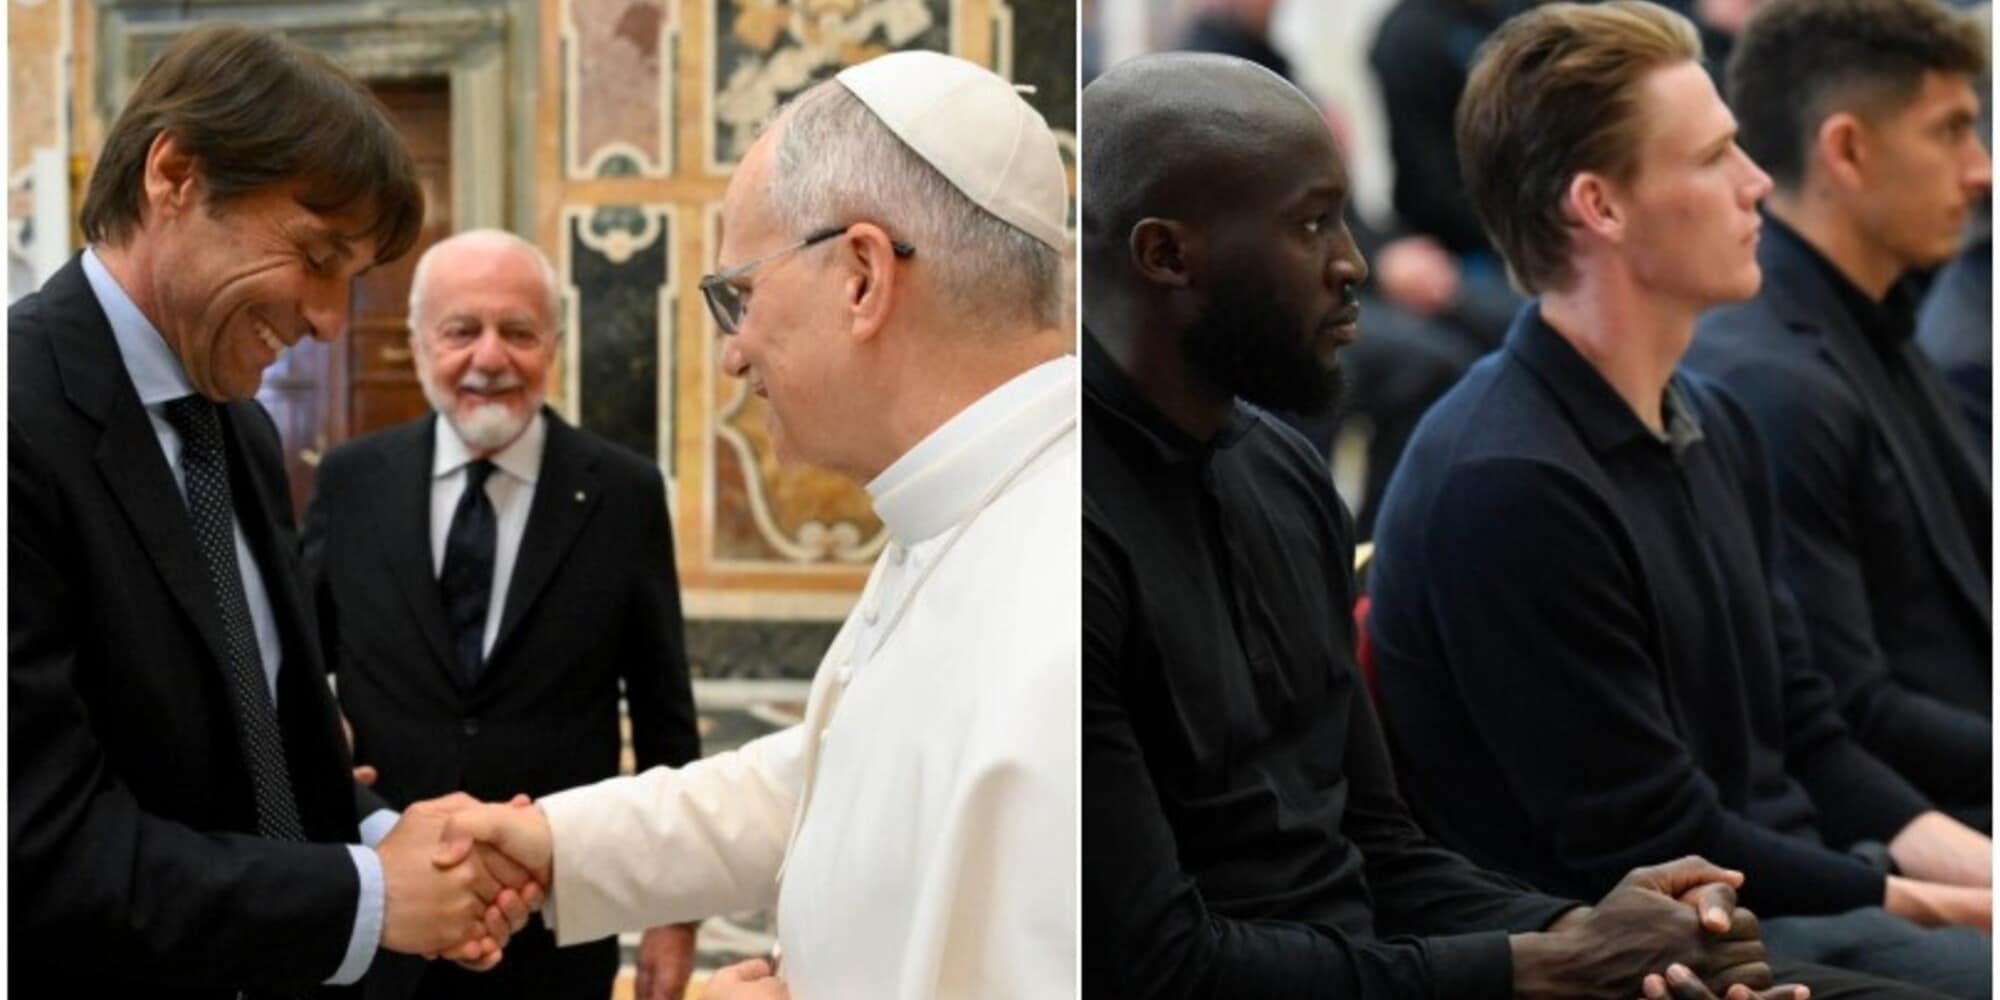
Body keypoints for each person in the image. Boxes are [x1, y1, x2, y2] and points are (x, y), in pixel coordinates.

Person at [1074, 47, 1936, 1000]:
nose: (1354, 263)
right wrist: (1547, 961)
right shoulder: (1069, 543)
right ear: (1166, 255)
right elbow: (1162, 966)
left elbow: (1381, 854)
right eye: (1314, 224)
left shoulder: (1279, 472)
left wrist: (1615, 934)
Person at [423, 49, 1079, 999]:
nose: (731, 354)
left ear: (861, 277)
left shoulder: (1060, 594)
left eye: (741, 294)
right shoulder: (959, 509)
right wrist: (559, 843)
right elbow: (830, 779)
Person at [1365, 3, 1990, 996]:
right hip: (1656, 949)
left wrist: (1972, 873)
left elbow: (1810, 734)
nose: (1754, 184)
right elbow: (1650, 837)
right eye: (1712, 158)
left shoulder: (1707, 418)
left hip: (1781, 904)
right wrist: (1925, 900)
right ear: (1598, 207)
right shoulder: (1509, 482)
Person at [9, 23, 536, 998]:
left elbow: (267, 735)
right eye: (316, 253)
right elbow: (36, 850)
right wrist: (371, 895)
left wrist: (403, 841)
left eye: (354, 278)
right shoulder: (18, 423)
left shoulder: (236, 428)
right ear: (176, 175)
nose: (331, 319)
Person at [300, 229, 702, 1000]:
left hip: (554, 916)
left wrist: (674, 915)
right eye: (461, 331)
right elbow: (293, 668)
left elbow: (665, 720)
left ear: (553, 343)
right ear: (419, 343)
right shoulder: (352, 481)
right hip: (388, 909)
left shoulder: (623, 493)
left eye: (517, 332)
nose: (490, 358)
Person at [1684, 0, 1992, 827]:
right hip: (1914, 822)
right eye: (1953, 130)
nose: (1982, 169)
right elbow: (1852, 715)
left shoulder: (1873, 314)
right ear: (1847, 150)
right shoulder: (1773, 378)